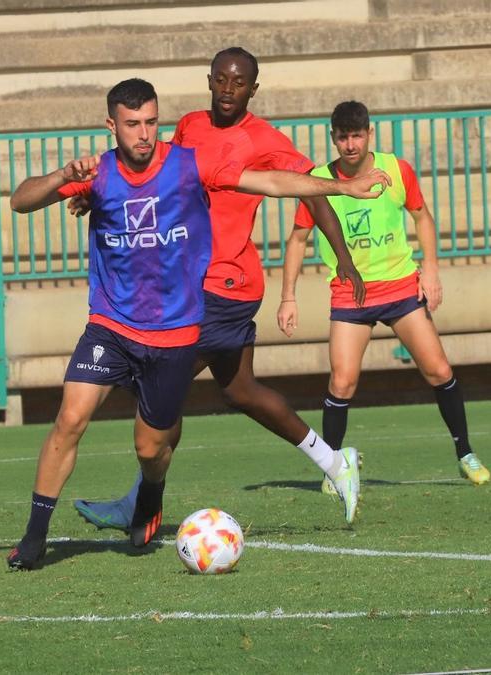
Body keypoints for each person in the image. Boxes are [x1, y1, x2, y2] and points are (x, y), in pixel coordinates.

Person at [5, 78, 389, 570]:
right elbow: (20, 200)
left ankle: (150, 495)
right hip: (112, 325)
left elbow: (270, 182)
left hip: (176, 331)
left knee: (151, 447)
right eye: (131, 124)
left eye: (150, 122)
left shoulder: (189, 164)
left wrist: (345, 185)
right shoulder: (96, 173)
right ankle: (35, 538)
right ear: (111, 126)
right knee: (71, 417)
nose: (143, 134)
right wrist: (63, 176)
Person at [73, 47, 371, 530]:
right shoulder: (189, 125)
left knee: (160, 387)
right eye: (221, 80)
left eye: (240, 83)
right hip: (188, 281)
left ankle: (141, 506)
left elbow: (308, 190)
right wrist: (98, 197)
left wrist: (343, 256)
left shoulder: (264, 138)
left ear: (254, 88)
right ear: (209, 81)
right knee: (240, 390)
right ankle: (337, 463)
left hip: (225, 283)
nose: (229, 90)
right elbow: (156, 177)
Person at [277, 100, 491, 490]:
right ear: (333, 138)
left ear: (369, 134)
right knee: (342, 382)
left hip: (401, 288)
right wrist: (287, 296)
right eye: (343, 137)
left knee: (439, 371)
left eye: (357, 135)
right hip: (350, 296)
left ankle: (465, 453)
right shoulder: (319, 181)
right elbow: (297, 239)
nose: (350, 144)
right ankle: (334, 469)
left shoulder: (395, 169)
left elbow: (422, 216)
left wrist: (431, 269)